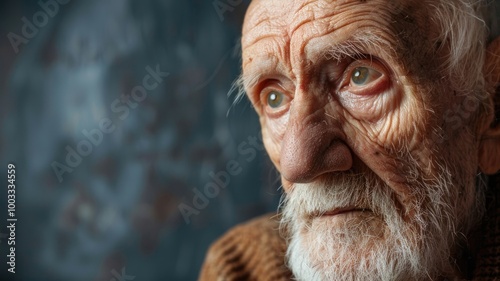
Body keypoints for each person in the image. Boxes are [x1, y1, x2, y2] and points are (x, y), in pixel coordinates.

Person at [200, 0, 500, 280]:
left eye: (361, 76)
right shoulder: (241, 268)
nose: (298, 164)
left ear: (492, 107)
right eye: (275, 98)